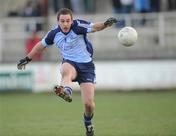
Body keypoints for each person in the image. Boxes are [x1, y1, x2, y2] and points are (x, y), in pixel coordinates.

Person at [17, 8, 117, 136]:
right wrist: (27, 58)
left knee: (89, 104)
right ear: (58, 21)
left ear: (72, 20)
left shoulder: (78, 26)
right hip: (69, 63)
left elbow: (95, 27)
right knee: (66, 71)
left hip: (87, 67)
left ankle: (88, 123)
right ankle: (66, 91)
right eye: (62, 21)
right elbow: (40, 46)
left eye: (68, 21)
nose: (65, 24)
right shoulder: (53, 34)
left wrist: (106, 24)